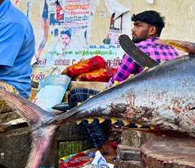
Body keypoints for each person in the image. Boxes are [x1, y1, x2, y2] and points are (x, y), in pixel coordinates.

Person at [67, 10, 179, 149]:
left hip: (141, 114)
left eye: (138, 26)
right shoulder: (173, 51)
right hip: (166, 113)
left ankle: (103, 149)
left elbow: (114, 86)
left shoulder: (137, 50)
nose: (133, 29)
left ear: (151, 30)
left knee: (78, 96)